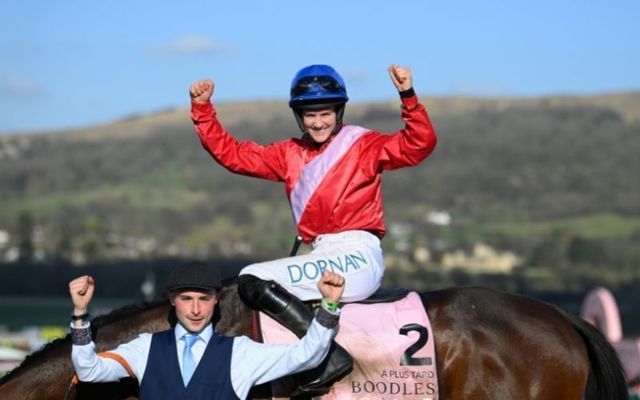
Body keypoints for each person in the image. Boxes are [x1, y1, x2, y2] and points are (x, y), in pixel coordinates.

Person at [189, 64, 437, 392]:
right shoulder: (288, 153)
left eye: (325, 114)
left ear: (338, 111)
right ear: (299, 117)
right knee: (251, 280)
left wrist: (408, 96)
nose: (318, 123)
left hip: (357, 255)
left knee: (251, 278)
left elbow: (419, 144)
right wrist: (203, 111)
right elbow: (234, 155)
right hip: (322, 253)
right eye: (309, 115)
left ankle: (329, 356)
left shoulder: (365, 145)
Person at [69, 261, 345, 400]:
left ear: (217, 299)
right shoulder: (144, 348)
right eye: (187, 299)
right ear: (172, 299)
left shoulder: (241, 353)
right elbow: (88, 371)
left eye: (203, 299)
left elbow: (307, 355)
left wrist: (329, 305)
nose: (196, 310)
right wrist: (80, 314)